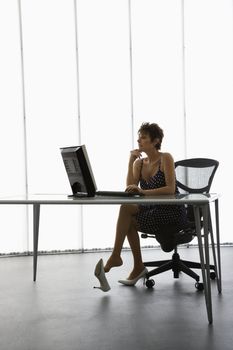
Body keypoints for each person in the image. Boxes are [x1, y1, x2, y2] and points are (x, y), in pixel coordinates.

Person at [94, 122, 187, 290]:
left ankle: (132, 264)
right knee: (126, 207)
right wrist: (130, 162)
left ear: (155, 141)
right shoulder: (140, 163)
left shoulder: (165, 158)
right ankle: (119, 257)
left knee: (128, 220)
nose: (139, 140)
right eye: (139, 137)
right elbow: (130, 189)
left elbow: (170, 189)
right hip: (152, 208)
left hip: (172, 211)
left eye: (143, 137)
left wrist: (143, 193)